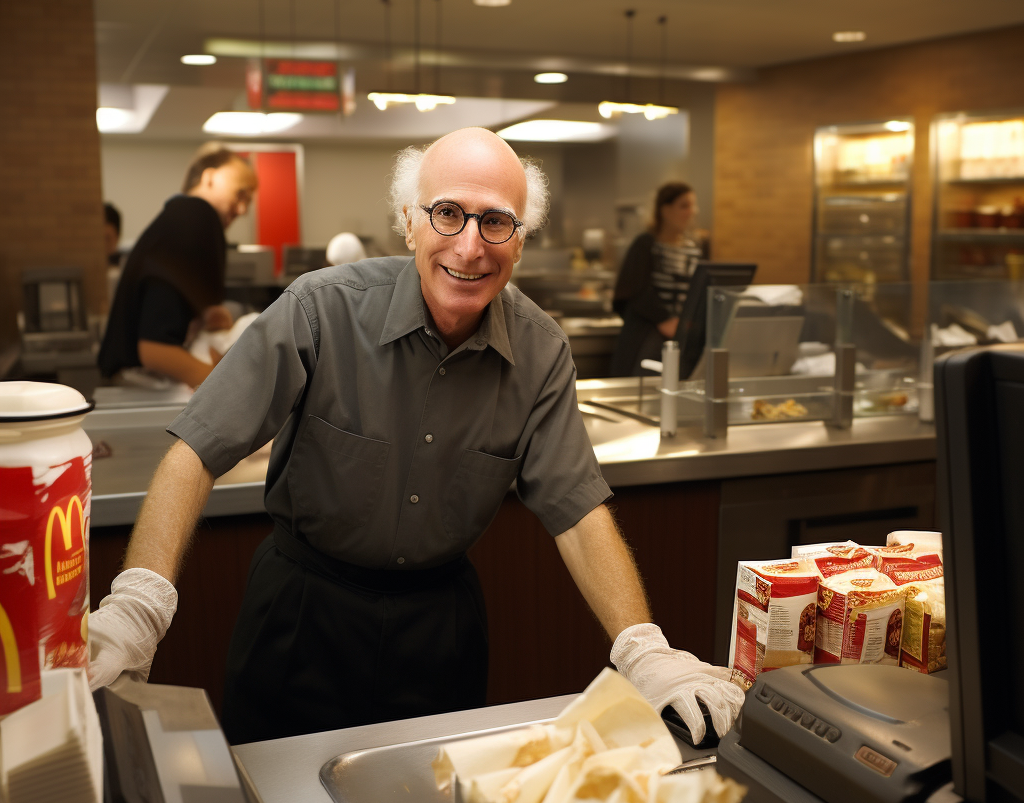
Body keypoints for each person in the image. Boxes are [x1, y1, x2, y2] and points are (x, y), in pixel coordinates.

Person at [86, 128, 743, 747]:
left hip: (440, 631)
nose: (469, 246)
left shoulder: (540, 350)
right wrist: (139, 606)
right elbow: (195, 453)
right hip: (301, 617)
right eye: (448, 213)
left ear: (519, 240)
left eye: (496, 222)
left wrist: (642, 647)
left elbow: (577, 510)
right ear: (409, 220)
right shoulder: (321, 310)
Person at [98, 144, 257, 388]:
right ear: (210, 178)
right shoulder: (197, 215)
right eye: (240, 193)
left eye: (249, 200)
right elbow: (155, 348)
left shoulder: (177, 219)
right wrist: (225, 387)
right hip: (137, 385)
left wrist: (205, 313)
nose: (243, 209)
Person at [609, 182, 702, 377]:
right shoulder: (646, 244)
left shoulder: (694, 248)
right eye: (684, 206)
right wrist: (664, 319)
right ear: (665, 210)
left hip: (682, 336)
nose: (693, 212)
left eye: (692, 205)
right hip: (646, 334)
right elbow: (633, 289)